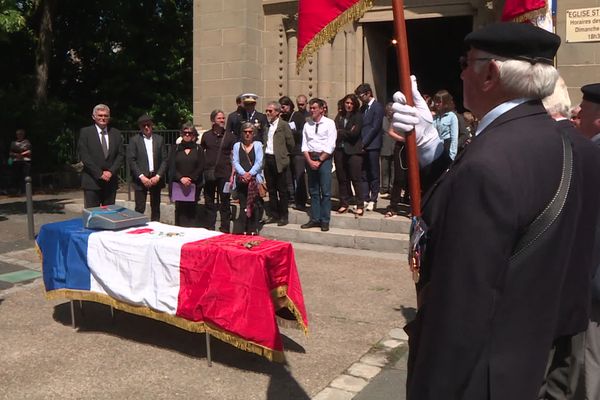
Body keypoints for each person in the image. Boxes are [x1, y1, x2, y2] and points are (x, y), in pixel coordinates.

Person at [392, 23, 600, 400]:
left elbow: (461, 304)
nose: (459, 72)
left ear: (490, 73)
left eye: (464, 62)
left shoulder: (488, 161)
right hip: (540, 359)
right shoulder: (574, 147)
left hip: (484, 374)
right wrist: (432, 153)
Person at [300, 98, 337, 232]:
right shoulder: (307, 124)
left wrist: (320, 160)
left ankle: (325, 220)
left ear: (322, 109)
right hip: (310, 157)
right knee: (313, 190)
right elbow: (304, 145)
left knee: (325, 191)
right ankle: (315, 218)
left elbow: (331, 144)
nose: (312, 110)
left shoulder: (329, 123)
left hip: (324, 159)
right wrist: (310, 161)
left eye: (315, 108)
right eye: (311, 108)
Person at [78, 104, 124, 208]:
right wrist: (99, 173)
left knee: (109, 215)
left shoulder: (116, 133)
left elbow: (120, 155)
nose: (103, 118)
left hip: (110, 182)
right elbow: (84, 156)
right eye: (100, 115)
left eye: (105, 116)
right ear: (94, 117)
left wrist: (111, 172)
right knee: (93, 216)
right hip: (92, 181)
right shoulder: (86, 132)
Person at [126, 114, 168, 221]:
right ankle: (138, 229)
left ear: (152, 125)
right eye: (143, 125)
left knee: (156, 207)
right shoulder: (134, 140)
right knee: (140, 208)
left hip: (155, 178)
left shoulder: (159, 139)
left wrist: (158, 176)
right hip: (141, 179)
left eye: (148, 125)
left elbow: (164, 160)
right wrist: (141, 177)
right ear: (140, 127)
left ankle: (156, 228)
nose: (146, 127)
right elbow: (132, 160)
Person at [201, 109, 236, 233]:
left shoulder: (230, 137)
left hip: (225, 174)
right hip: (210, 173)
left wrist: (232, 175)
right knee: (209, 200)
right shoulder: (206, 136)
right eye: (219, 118)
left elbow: (234, 157)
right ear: (212, 120)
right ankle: (209, 227)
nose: (222, 120)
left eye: (223, 118)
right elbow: (202, 152)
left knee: (225, 202)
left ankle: (224, 229)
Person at [262, 101, 294, 226]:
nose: (268, 113)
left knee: (282, 189)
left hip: (279, 160)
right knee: (271, 189)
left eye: (270, 111)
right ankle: (274, 214)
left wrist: (284, 156)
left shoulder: (283, 125)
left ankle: (283, 216)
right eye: (267, 111)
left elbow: (290, 143)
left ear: (277, 112)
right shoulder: (266, 125)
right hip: (268, 159)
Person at [231, 122, 265, 235]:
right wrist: (243, 174)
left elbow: (259, 162)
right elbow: (235, 161)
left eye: (250, 132)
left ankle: (252, 229)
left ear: (253, 133)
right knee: (243, 205)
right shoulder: (237, 146)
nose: (247, 134)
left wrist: (250, 174)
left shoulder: (258, 145)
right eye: (245, 132)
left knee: (253, 204)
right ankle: (241, 229)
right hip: (241, 180)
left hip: (254, 180)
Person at [355, 83, 384, 211]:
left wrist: (364, 142)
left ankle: (374, 198)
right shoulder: (362, 109)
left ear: (368, 93)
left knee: (373, 172)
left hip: (372, 145)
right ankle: (365, 197)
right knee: (363, 172)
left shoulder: (377, 107)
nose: (360, 99)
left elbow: (375, 127)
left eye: (361, 96)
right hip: (362, 145)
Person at [169, 123, 204, 227]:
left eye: (190, 133)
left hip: (194, 185)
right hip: (178, 185)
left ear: (194, 135)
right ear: (181, 134)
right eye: (185, 133)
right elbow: (171, 166)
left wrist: (191, 178)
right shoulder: (175, 148)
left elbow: (201, 166)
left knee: (191, 211)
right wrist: (181, 178)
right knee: (180, 210)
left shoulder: (198, 149)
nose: (187, 135)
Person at [334, 94, 364, 216]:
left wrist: (341, 132)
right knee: (342, 178)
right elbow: (333, 131)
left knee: (355, 178)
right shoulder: (339, 116)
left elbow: (355, 134)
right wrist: (346, 132)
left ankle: (360, 204)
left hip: (353, 151)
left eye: (351, 103)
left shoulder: (358, 116)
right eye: (347, 103)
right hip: (339, 150)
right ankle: (344, 203)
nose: (349, 105)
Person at [279, 95, 308, 210]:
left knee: (299, 176)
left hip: (298, 151)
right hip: (287, 152)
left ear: (290, 106)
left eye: (284, 107)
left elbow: (303, 132)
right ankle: (291, 198)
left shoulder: (297, 116)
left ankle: (301, 201)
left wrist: (292, 131)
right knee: (288, 177)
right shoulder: (282, 118)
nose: (282, 110)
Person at [432, 89, 459, 160]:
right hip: (436, 148)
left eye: (439, 102)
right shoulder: (435, 117)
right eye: (435, 101)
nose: (436, 104)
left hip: (447, 147)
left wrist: (452, 156)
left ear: (445, 102)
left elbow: (454, 138)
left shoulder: (452, 116)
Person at [8, 129, 32, 195]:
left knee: (25, 175)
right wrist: (16, 154)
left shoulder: (27, 142)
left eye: (21, 134)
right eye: (18, 134)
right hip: (16, 161)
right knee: (17, 176)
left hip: (25, 161)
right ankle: (17, 190)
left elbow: (28, 151)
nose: (19, 135)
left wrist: (21, 154)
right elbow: (11, 153)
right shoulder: (13, 143)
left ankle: (25, 190)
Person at [380, 103, 395, 196]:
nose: (391, 111)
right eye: (389, 110)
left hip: (394, 147)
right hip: (384, 147)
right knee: (384, 169)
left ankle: (392, 187)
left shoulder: (396, 120)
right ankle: (384, 187)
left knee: (393, 169)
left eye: (392, 110)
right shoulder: (382, 120)